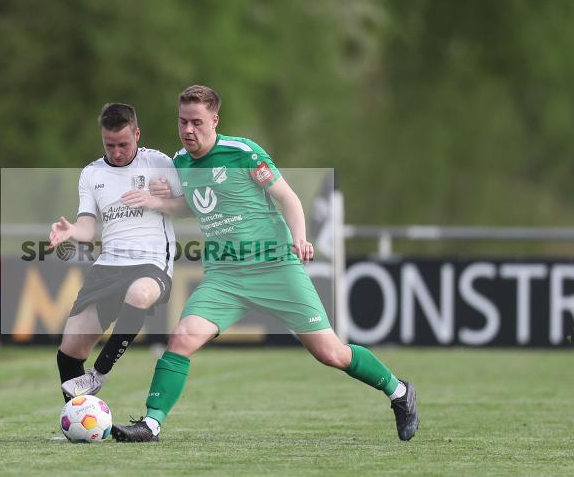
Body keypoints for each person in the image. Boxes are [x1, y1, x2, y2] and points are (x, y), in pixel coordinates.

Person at [110, 84, 419, 443]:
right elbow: (193, 205)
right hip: (225, 276)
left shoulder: (242, 152)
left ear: (214, 120)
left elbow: (288, 198)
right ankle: (151, 424)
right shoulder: (181, 162)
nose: (188, 130)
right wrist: (157, 202)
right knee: (181, 338)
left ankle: (399, 393)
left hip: (275, 268)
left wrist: (300, 238)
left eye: (196, 122)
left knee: (330, 353)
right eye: (182, 122)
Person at [54, 103, 181, 402]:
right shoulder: (91, 173)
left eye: (123, 144)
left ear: (137, 133)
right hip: (108, 266)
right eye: (109, 145)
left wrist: (156, 201)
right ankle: (81, 421)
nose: (117, 152)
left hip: (151, 263)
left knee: (138, 295)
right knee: (69, 352)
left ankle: (99, 374)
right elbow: (88, 226)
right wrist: (71, 231)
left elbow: (188, 207)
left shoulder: (159, 164)